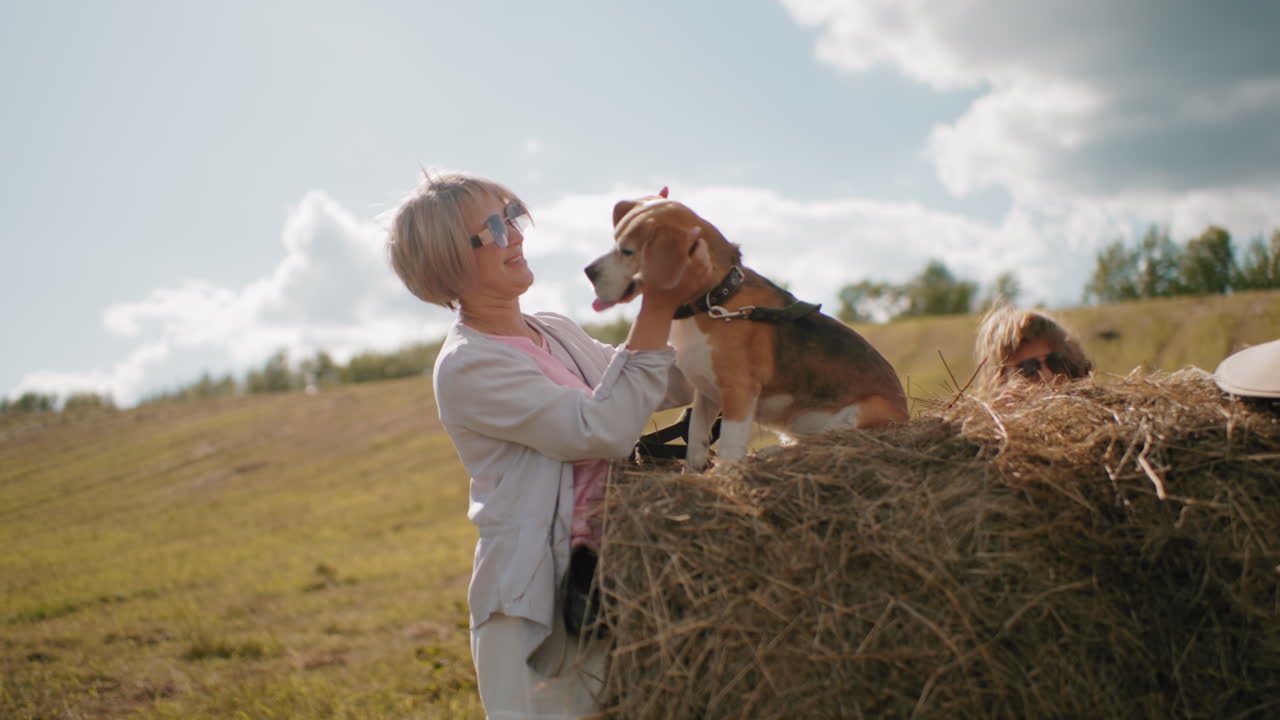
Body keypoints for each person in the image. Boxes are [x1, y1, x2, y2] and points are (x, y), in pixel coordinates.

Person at [385, 171, 710, 719]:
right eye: (491, 227)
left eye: (512, 215)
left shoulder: (554, 331)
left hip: (608, 582)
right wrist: (655, 300)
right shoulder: (470, 364)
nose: (514, 233)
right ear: (448, 263)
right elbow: (602, 428)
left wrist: (690, 280)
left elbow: (663, 381)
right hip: (536, 608)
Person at [973, 303, 1094, 400]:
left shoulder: (1100, 416)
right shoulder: (991, 427)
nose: (1047, 376)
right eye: (1029, 368)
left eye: (1055, 362)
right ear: (1001, 378)